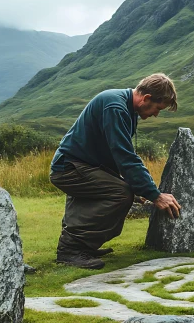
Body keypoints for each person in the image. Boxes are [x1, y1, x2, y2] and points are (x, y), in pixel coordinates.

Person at [49, 73, 182, 269]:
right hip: (69, 168)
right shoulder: (116, 107)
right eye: (157, 108)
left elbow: (117, 156)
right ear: (146, 98)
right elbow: (125, 156)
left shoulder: (124, 106)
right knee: (120, 193)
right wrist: (154, 195)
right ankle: (71, 250)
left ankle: (83, 247)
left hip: (81, 166)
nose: (156, 114)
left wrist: (140, 187)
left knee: (120, 189)